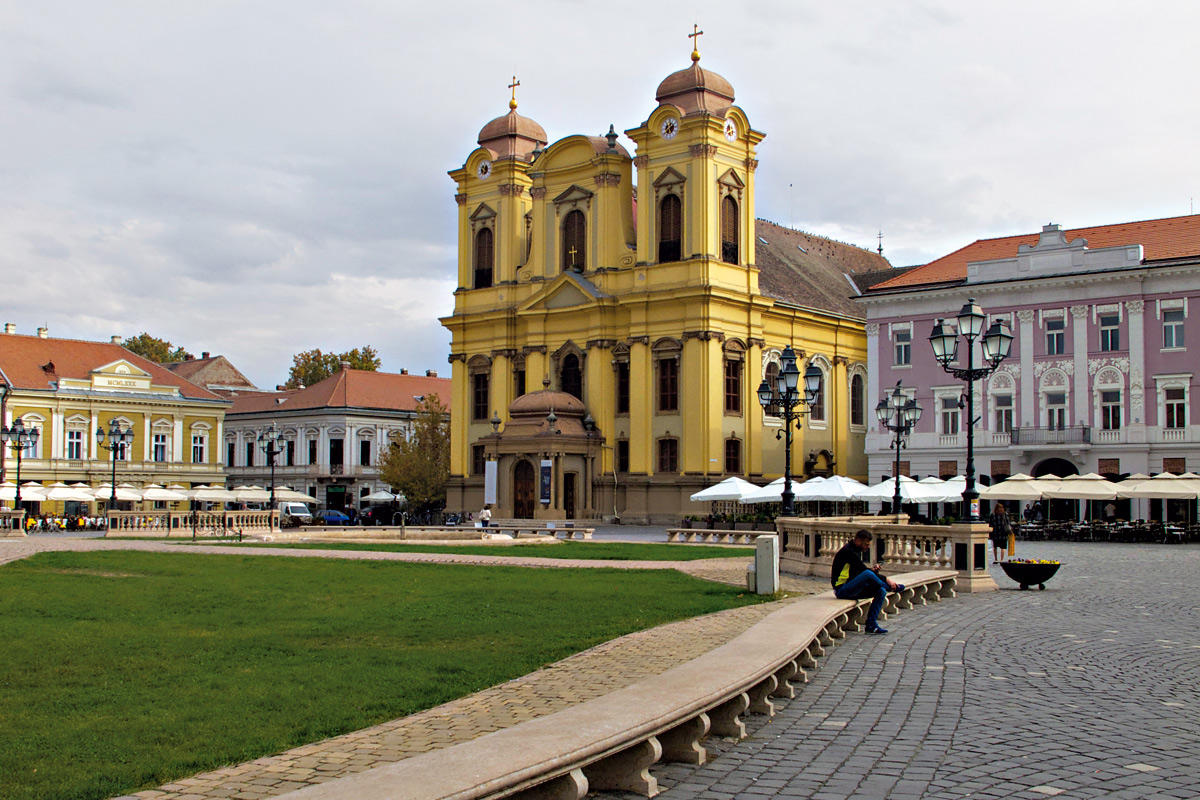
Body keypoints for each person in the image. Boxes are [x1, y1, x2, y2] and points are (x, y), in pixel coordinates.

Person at [831, 530, 903, 635]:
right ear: (858, 541)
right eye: (866, 544)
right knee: (868, 575)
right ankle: (891, 587)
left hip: (851, 587)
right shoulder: (848, 551)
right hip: (842, 590)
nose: (867, 547)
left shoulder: (855, 551)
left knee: (881, 591)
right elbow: (864, 572)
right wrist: (887, 580)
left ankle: (871, 624)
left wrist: (874, 572)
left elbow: (858, 572)